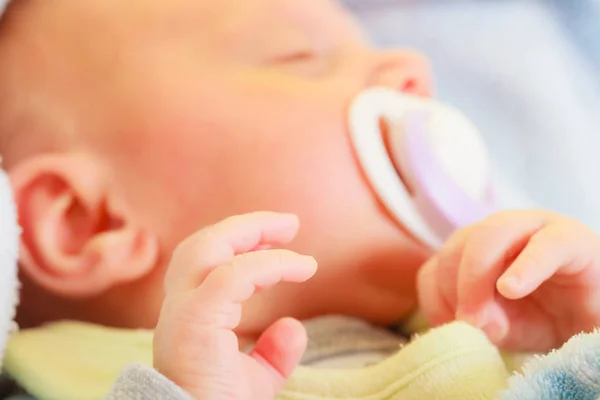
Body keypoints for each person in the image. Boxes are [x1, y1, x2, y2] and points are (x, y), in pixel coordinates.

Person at [1, 0, 600, 398]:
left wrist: (579, 341)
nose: (412, 67)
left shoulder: (504, 323)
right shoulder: (48, 377)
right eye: (301, 56)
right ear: (89, 221)